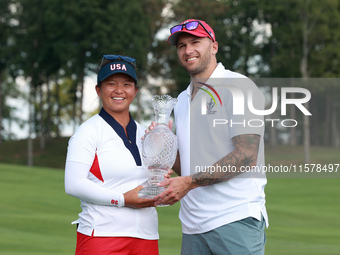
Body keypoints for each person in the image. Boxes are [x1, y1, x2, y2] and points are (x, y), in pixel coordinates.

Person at [153, 19, 269, 254]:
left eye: (195, 42)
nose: (188, 50)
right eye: (181, 46)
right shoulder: (183, 100)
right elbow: (186, 166)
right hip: (193, 226)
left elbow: (246, 156)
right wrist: (162, 146)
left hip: (235, 219)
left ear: (214, 47)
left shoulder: (238, 86)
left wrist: (188, 183)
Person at [65, 54, 159, 255]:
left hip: (147, 236)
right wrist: (123, 199)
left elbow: (152, 180)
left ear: (135, 91)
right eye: (111, 84)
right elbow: (73, 183)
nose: (119, 90)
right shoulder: (88, 131)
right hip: (101, 235)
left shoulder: (147, 134)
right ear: (98, 90)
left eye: (126, 84)